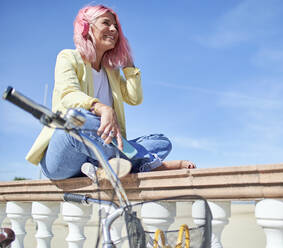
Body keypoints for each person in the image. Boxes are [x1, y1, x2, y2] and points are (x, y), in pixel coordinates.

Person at [25, 4, 195, 180]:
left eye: (116, 26)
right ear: (86, 27)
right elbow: (68, 95)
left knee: (160, 141)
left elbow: (134, 98)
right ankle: (147, 163)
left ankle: (108, 166)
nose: (113, 29)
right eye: (106, 23)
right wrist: (102, 108)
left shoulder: (111, 72)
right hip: (65, 155)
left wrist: (128, 64)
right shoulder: (68, 57)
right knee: (77, 118)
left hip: (99, 153)